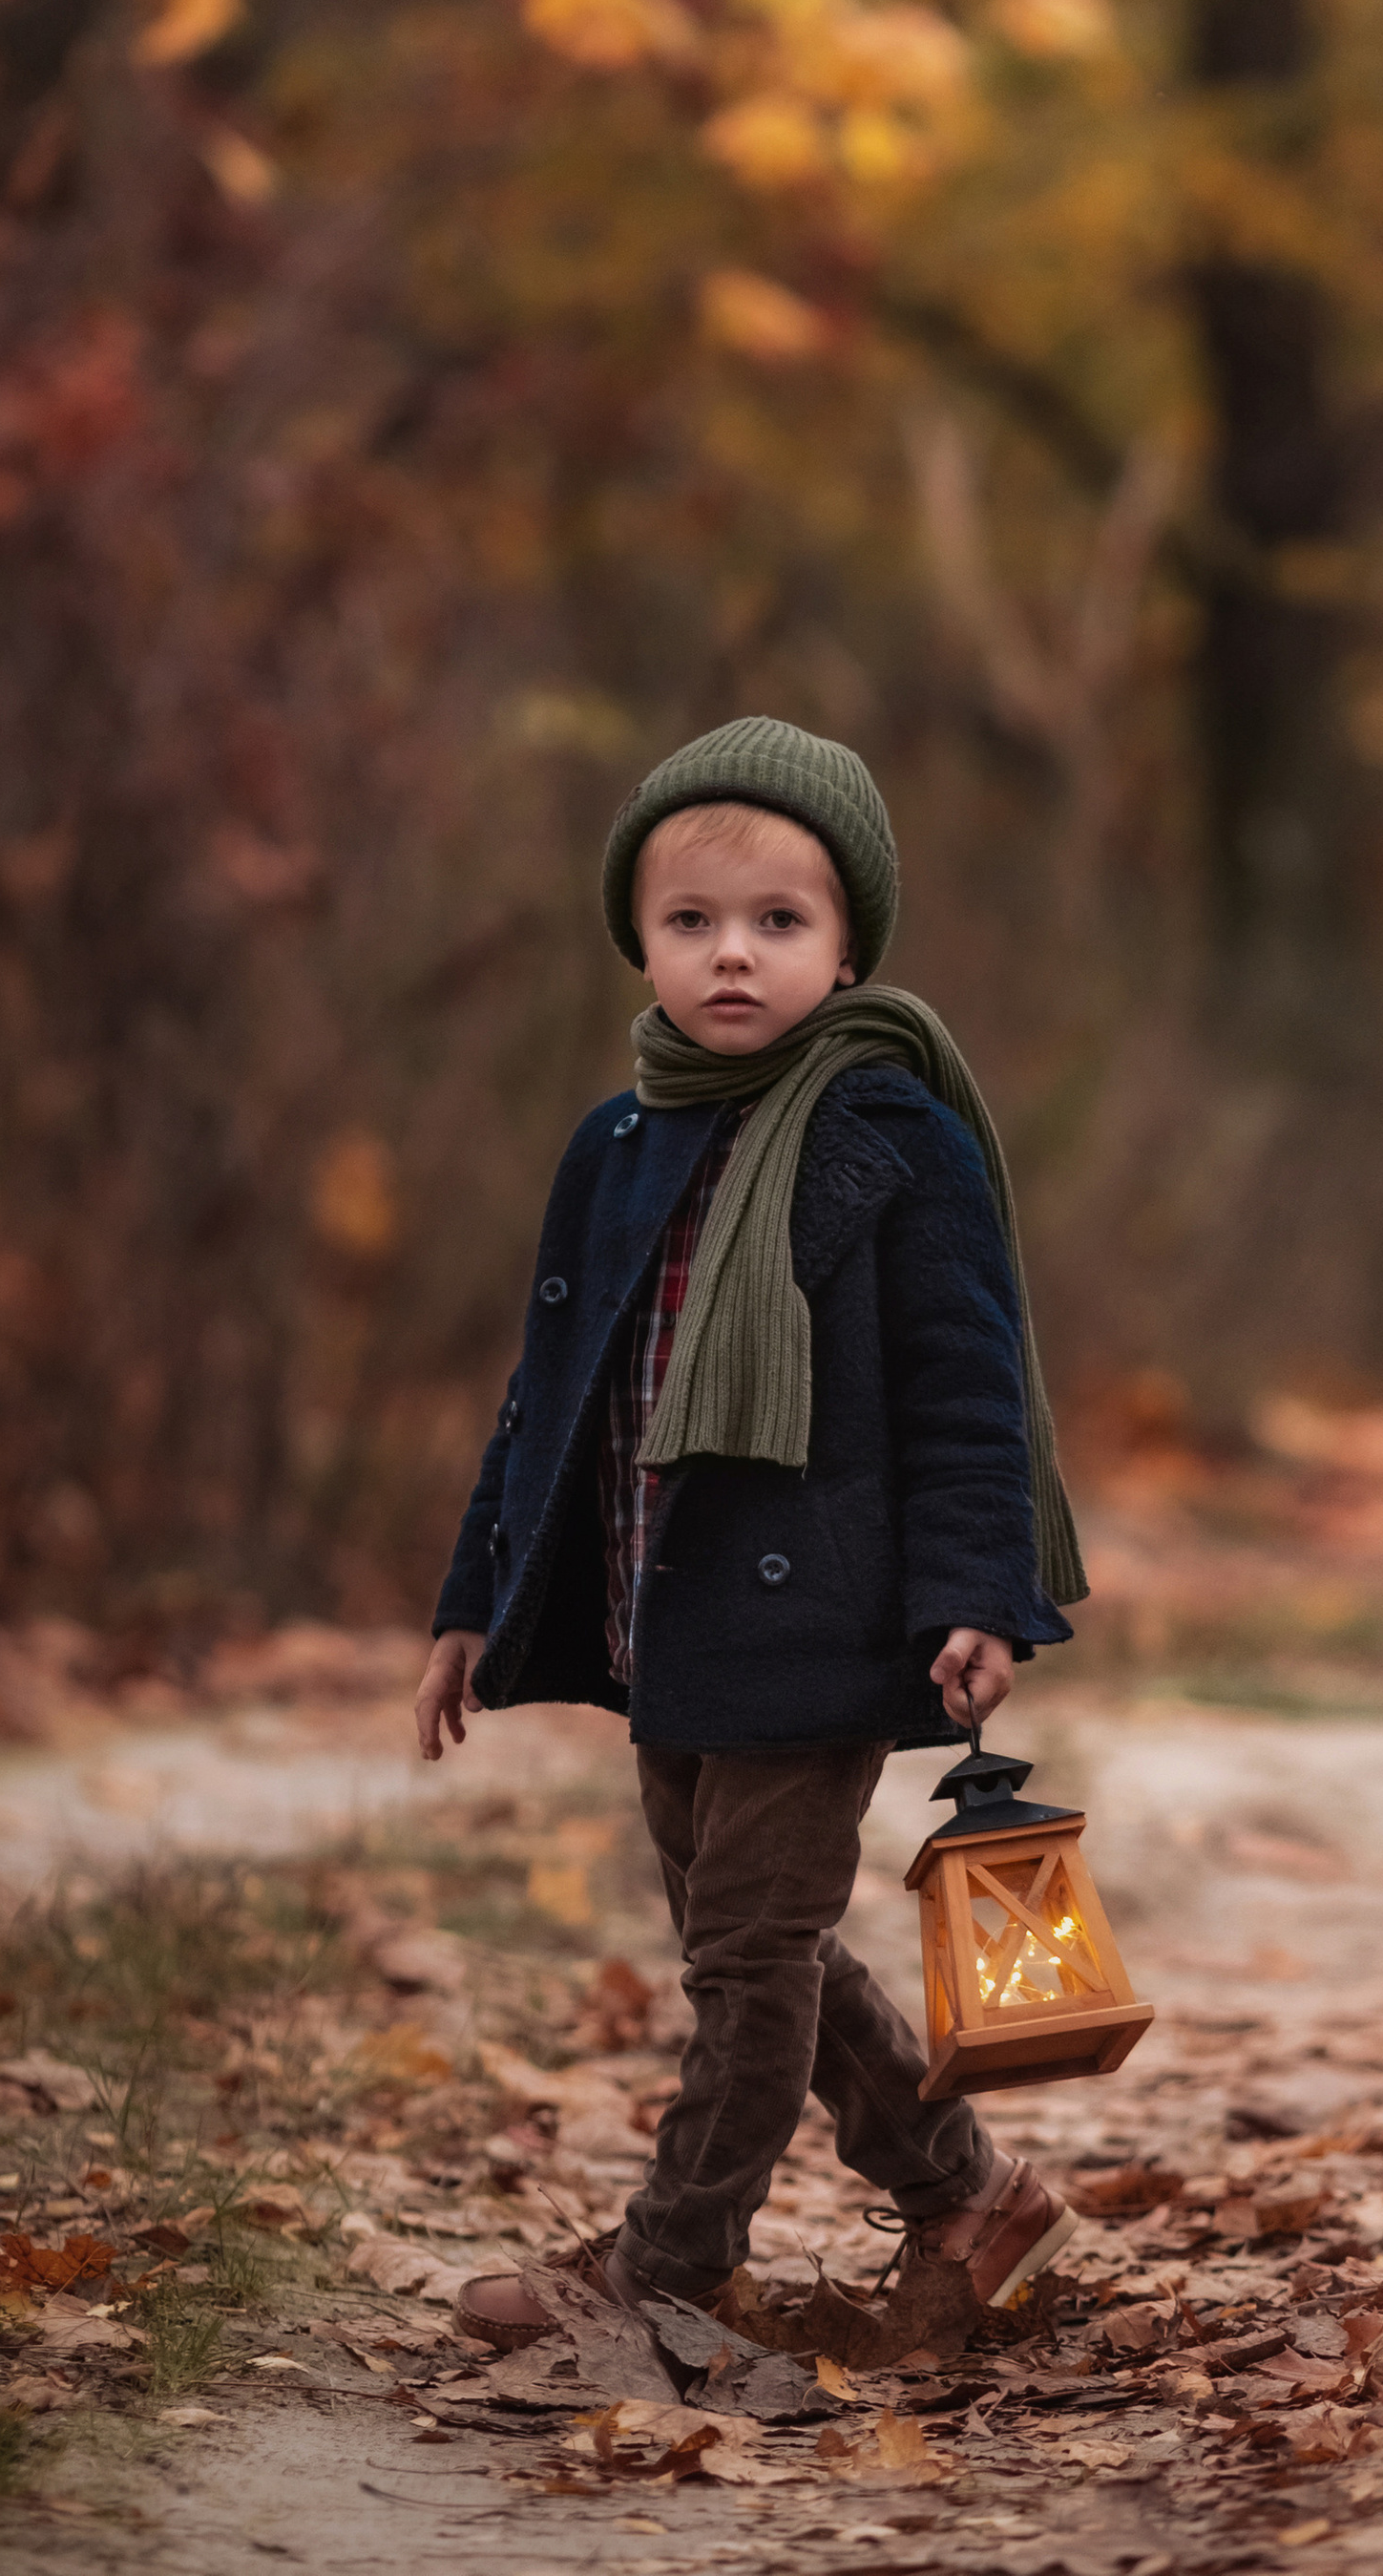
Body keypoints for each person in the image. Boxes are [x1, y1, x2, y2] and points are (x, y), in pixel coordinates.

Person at [413, 714, 1089, 2327]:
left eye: (780, 923)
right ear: (637, 941)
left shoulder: (889, 1134)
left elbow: (962, 1382)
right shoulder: (618, 1143)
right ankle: (972, 2202)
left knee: (744, 1967)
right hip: (669, 1621)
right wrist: (473, 1597)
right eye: (693, 922)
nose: (734, 958)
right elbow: (546, 1394)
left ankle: (668, 2267)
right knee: (762, 1947)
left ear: (848, 944)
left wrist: (978, 1591)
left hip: (820, 1617)